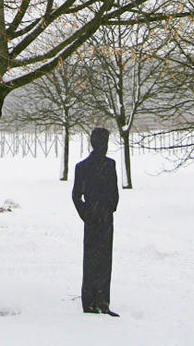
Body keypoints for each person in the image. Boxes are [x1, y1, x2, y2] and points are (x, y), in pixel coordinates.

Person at [72, 126, 120, 316]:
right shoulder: (82, 167)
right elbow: (76, 196)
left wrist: (109, 208)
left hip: (105, 218)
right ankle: (90, 301)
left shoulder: (110, 165)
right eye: (103, 143)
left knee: (104, 259)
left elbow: (114, 192)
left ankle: (102, 301)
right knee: (92, 259)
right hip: (93, 218)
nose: (104, 147)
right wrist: (87, 213)